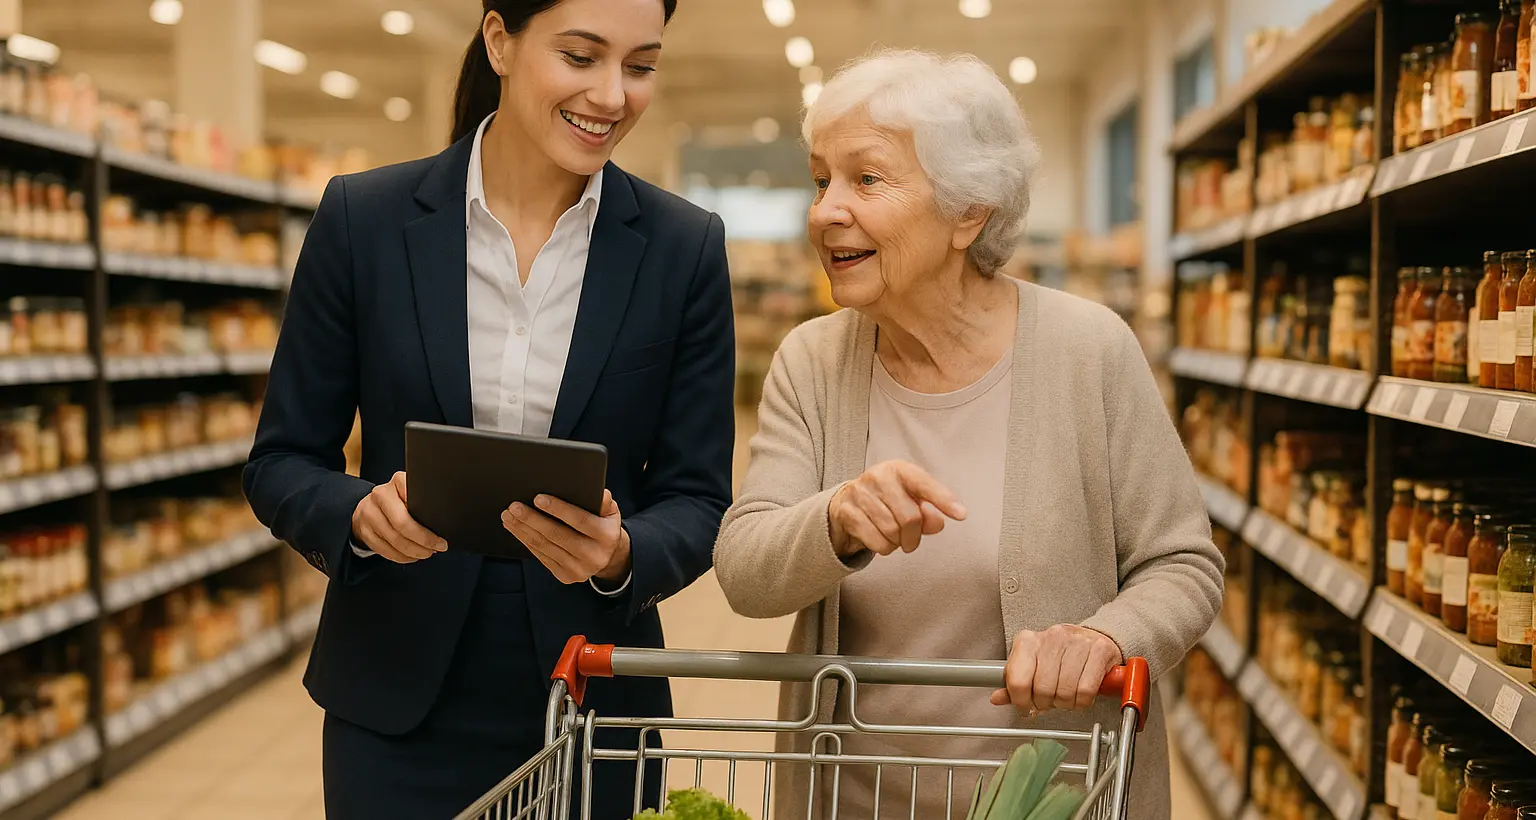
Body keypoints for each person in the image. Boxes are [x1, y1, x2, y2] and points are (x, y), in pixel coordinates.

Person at [242, 1, 735, 817]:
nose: (612, 95)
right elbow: (282, 460)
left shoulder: (684, 248)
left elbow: (700, 498)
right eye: (581, 57)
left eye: (640, 66)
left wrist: (621, 554)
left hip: (594, 699)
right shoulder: (365, 221)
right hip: (395, 701)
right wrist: (360, 516)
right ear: (500, 40)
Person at [713, 50, 1224, 820]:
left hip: (1058, 801)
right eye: (822, 180)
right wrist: (836, 520)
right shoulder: (811, 361)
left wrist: (1105, 638)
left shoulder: (1090, 350)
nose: (824, 211)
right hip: (852, 803)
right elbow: (745, 572)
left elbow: (1183, 565)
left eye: (867, 179)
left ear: (968, 212)